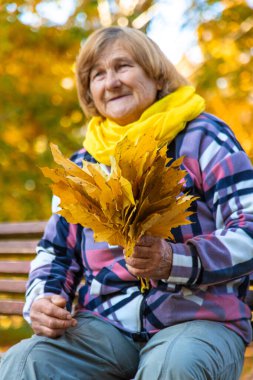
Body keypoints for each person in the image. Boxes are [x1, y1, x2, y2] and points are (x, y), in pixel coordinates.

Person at [1, 26, 253, 380]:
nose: (111, 82)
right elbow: (56, 251)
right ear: (89, 92)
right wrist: (42, 299)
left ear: (155, 74)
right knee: (24, 362)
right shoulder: (85, 164)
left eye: (123, 66)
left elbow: (249, 229)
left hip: (198, 320)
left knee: (172, 367)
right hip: (105, 327)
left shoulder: (203, 137)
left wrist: (174, 260)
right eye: (97, 75)